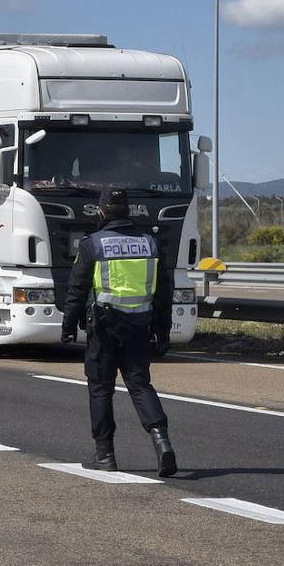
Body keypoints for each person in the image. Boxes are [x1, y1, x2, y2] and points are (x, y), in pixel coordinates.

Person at [61, 187, 177, 476]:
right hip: (139, 326)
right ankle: (162, 442)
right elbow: (164, 292)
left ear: (100, 212)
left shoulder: (92, 245)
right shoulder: (151, 243)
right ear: (128, 212)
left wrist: (68, 327)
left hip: (104, 328)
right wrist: (162, 330)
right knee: (140, 385)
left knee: (100, 388)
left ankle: (105, 455)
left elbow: (76, 290)